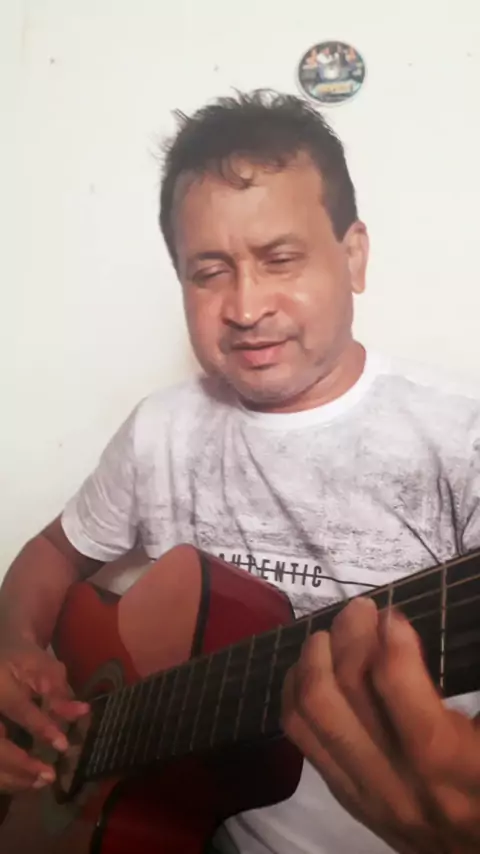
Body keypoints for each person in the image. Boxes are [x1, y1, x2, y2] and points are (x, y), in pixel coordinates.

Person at [0, 89, 479, 853]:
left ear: (353, 256)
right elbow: (54, 552)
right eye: (209, 271)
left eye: (280, 259)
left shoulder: (462, 437)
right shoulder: (160, 428)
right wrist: (14, 646)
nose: (246, 306)